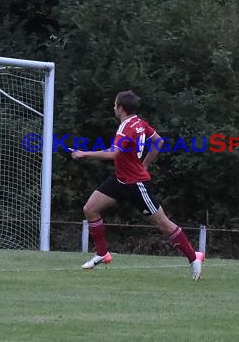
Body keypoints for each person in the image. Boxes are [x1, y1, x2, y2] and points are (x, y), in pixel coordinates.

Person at [71, 90, 204, 281]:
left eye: (115, 104)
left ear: (121, 108)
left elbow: (113, 154)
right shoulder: (139, 123)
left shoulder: (126, 128)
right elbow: (158, 141)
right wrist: (146, 163)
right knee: (90, 209)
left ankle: (194, 258)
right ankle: (102, 253)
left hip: (136, 184)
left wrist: (85, 154)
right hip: (120, 179)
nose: (113, 107)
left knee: (163, 224)